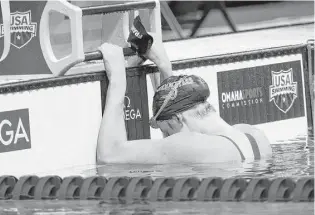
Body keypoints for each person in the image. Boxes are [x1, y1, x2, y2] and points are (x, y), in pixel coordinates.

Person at [96, 40, 273, 164]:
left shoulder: (192, 146)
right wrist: (164, 66)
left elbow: (110, 156)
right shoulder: (255, 137)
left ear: (177, 120)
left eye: (167, 132)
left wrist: (118, 79)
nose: (168, 139)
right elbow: (177, 110)